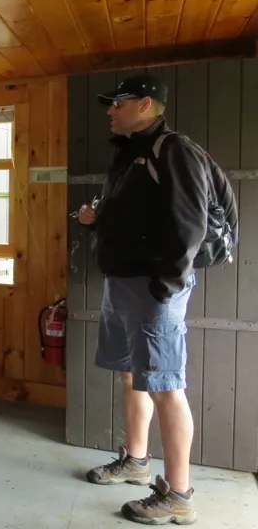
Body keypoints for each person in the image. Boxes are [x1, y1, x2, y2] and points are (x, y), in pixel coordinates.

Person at [79, 74, 237, 525]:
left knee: (166, 386)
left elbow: (190, 227)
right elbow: (138, 217)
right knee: (132, 377)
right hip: (125, 282)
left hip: (154, 288)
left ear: (146, 104)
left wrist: (164, 289)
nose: (110, 110)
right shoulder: (132, 153)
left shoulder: (174, 150)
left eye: (118, 102)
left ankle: (179, 494)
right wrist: (97, 222)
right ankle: (135, 461)